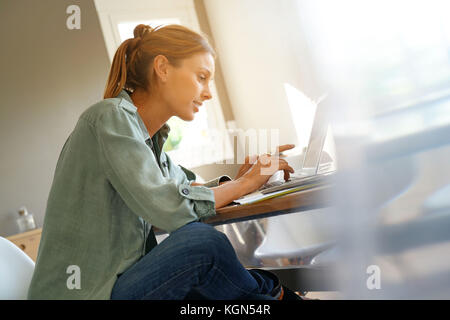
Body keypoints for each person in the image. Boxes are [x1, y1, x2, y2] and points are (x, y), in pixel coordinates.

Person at [27, 24, 298, 300]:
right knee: (203, 244)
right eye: (201, 77)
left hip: (118, 287)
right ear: (163, 68)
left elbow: (188, 189)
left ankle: (277, 295)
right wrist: (245, 183)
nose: (208, 93)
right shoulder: (110, 118)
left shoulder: (151, 146)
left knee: (225, 293)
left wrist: (244, 178)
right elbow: (174, 208)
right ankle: (280, 295)